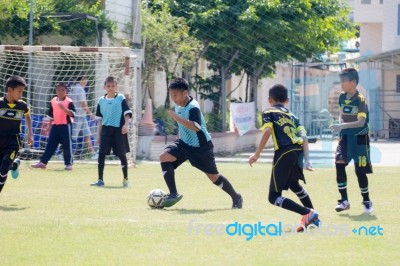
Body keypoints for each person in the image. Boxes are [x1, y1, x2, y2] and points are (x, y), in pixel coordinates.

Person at [160, 77, 243, 208]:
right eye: (171, 95)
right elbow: (184, 123)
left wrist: (177, 118)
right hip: (184, 143)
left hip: (200, 147)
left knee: (214, 177)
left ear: (185, 93)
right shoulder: (178, 105)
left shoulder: (193, 107)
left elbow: (196, 126)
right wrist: (180, 132)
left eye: (175, 95)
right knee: (164, 157)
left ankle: (236, 197)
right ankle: (173, 193)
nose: (173, 98)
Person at [248, 84, 319, 230]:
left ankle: (307, 213)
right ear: (287, 100)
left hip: (284, 153)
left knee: (273, 197)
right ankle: (314, 218)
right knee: (294, 185)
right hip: (298, 151)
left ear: (269, 99)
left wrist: (257, 154)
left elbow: (267, 131)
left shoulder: (269, 111)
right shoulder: (293, 116)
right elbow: (304, 137)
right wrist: (307, 160)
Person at [330, 68, 373, 214]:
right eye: (340, 81)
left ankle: (366, 201)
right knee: (339, 163)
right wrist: (340, 125)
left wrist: (342, 125)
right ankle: (344, 201)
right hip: (346, 137)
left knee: (360, 171)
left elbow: (361, 122)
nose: (341, 84)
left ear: (353, 82)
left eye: (344, 81)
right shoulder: (342, 96)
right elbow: (342, 114)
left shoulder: (360, 99)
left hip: (360, 137)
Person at [90, 76, 132, 188]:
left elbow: (127, 113)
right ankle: (100, 180)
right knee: (101, 154)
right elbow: (99, 120)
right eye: (108, 86)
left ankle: (125, 179)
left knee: (122, 155)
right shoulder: (101, 101)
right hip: (106, 130)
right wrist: (98, 135)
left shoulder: (120, 98)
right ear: (104, 87)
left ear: (116, 87)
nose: (111, 88)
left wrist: (126, 125)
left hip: (118, 130)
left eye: (113, 86)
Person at [0, 76, 33, 194]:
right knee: (4, 166)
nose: (21, 94)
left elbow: (28, 116)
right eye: (19, 91)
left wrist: (30, 133)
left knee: (3, 168)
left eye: (22, 92)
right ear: (10, 90)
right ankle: (14, 165)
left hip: (13, 141)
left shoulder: (22, 105)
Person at [31, 83, 75, 170]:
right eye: (58, 90)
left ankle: (68, 164)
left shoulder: (69, 101)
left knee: (67, 145)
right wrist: (50, 126)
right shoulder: (53, 101)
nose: (61, 92)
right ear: (56, 91)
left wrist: (64, 109)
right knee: (50, 145)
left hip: (66, 126)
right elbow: (51, 115)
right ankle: (43, 162)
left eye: (63, 90)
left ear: (66, 91)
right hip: (55, 126)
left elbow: (73, 114)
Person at [68, 76, 96, 158]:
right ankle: (65, 154)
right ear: (82, 80)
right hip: (78, 116)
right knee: (73, 137)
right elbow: (83, 104)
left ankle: (93, 154)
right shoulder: (80, 90)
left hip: (82, 116)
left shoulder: (73, 88)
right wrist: (90, 114)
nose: (87, 82)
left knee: (87, 135)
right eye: (85, 79)